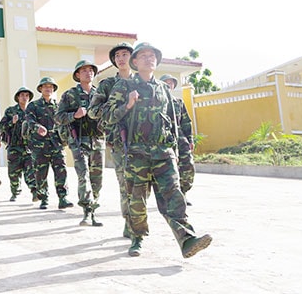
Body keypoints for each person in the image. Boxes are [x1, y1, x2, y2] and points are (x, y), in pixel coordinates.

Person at [105, 42, 211, 258]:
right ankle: (136, 238)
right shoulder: (123, 87)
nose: (148, 58)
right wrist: (127, 105)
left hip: (164, 152)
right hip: (136, 152)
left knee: (173, 195)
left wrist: (180, 152)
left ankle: (186, 239)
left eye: (152, 55)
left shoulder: (164, 89)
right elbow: (106, 116)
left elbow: (173, 122)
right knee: (136, 198)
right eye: (143, 55)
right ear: (135, 62)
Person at [88, 42, 135, 236]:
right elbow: (92, 112)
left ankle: (136, 221)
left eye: (125, 54)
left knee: (143, 185)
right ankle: (130, 223)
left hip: (144, 140)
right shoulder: (107, 85)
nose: (121, 58)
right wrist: (116, 109)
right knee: (125, 183)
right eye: (118, 56)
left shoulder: (142, 81)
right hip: (119, 141)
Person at [55, 60, 105, 226]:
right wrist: (73, 115)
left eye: (90, 70)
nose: (88, 72)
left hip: (98, 140)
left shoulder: (100, 95)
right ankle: (86, 211)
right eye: (84, 70)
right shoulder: (70, 95)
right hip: (78, 140)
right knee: (83, 175)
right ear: (77, 75)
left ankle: (94, 210)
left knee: (97, 178)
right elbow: (58, 117)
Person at [25, 77, 74, 210]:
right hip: (39, 145)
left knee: (61, 171)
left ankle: (63, 198)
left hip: (56, 144)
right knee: (41, 173)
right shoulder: (33, 106)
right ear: (40, 89)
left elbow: (64, 122)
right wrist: (37, 127)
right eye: (45, 86)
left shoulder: (58, 106)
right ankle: (43, 198)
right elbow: (29, 120)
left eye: (50, 87)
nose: (48, 89)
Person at [160, 74, 196, 206]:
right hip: (164, 137)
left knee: (187, 165)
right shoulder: (157, 101)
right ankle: (168, 196)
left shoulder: (178, 102)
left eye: (171, 83)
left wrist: (189, 139)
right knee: (167, 168)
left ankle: (183, 193)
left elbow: (186, 122)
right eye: (166, 82)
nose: (169, 85)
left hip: (180, 137)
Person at [0, 86, 38, 202]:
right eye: (22, 95)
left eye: (26, 95)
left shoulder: (32, 111)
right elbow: (1, 127)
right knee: (14, 172)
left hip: (28, 147)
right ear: (17, 97)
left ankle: (34, 192)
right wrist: (12, 122)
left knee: (30, 171)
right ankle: (15, 191)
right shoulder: (11, 111)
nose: (24, 97)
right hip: (14, 147)